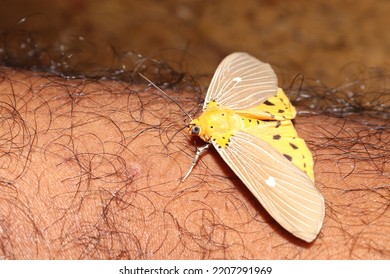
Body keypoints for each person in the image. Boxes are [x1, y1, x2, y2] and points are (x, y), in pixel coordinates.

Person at [0, 61, 388, 259]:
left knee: (268, 184)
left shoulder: (217, 141)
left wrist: (205, 143)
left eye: (198, 131)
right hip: (246, 110)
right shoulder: (213, 106)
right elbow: (242, 70)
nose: (195, 132)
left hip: (242, 135)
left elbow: (207, 134)